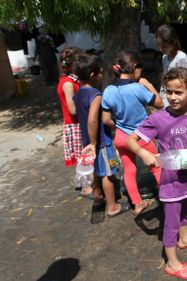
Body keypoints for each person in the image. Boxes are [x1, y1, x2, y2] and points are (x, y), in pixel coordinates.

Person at [126, 68, 187, 280]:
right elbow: (130, 141)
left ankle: (184, 239)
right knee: (170, 222)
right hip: (171, 183)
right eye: (168, 92)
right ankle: (172, 263)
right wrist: (144, 153)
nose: (172, 97)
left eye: (178, 92)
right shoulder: (158, 119)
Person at [102, 50, 163, 216]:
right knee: (156, 168)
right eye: (140, 68)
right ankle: (167, 199)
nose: (141, 72)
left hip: (121, 137)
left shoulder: (108, 91)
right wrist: (148, 85)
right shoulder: (137, 88)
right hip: (141, 136)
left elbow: (106, 119)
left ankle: (137, 204)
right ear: (134, 67)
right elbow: (159, 103)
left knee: (129, 170)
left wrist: (120, 125)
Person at [73, 53, 130, 223]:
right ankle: (113, 206)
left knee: (96, 170)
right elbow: (92, 120)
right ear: (93, 75)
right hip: (100, 142)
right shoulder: (96, 95)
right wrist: (94, 142)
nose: (101, 76)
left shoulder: (78, 93)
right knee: (107, 173)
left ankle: (98, 196)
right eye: (100, 73)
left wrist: (89, 142)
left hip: (87, 141)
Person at [55, 47, 90, 194]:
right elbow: (72, 109)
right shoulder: (68, 83)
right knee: (83, 155)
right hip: (75, 124)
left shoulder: (71, 80)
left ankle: (80, 181)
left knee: (82, 154)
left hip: (76, 123)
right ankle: (86, 186)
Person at [156, 24, 187, 107]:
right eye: (159, 45)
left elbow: (185, 82)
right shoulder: (165, 57)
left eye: (164, 46)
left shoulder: (181, 57)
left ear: (173, 43)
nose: (160, 49)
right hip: (165, 97)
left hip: (176, 100)